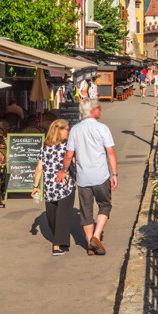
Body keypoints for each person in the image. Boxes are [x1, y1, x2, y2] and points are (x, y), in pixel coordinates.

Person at [56, 98, 118, 256]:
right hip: (101, 175)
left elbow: (69, 155)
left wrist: (64, 170)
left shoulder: (75, 130)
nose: (100, 110)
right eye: (98, 107)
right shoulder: (102, 128)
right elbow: (110, 152)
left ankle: (90, 244)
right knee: (104, 205)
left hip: (83, 178)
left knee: (86, 212)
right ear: (92, 111)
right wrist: (114, 174)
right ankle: (96, 237)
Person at [32, 120, 75, 256]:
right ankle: (57, 245)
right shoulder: (67, 147)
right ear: (59, 130)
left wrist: (35, 186)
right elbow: (75, 162)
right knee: (62, 216)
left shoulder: (45, 147)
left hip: (49, 187)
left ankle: (58, 240)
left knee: (52, 216)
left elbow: (39, 168)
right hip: (65, 186)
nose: (69, 131)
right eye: (67, 129)